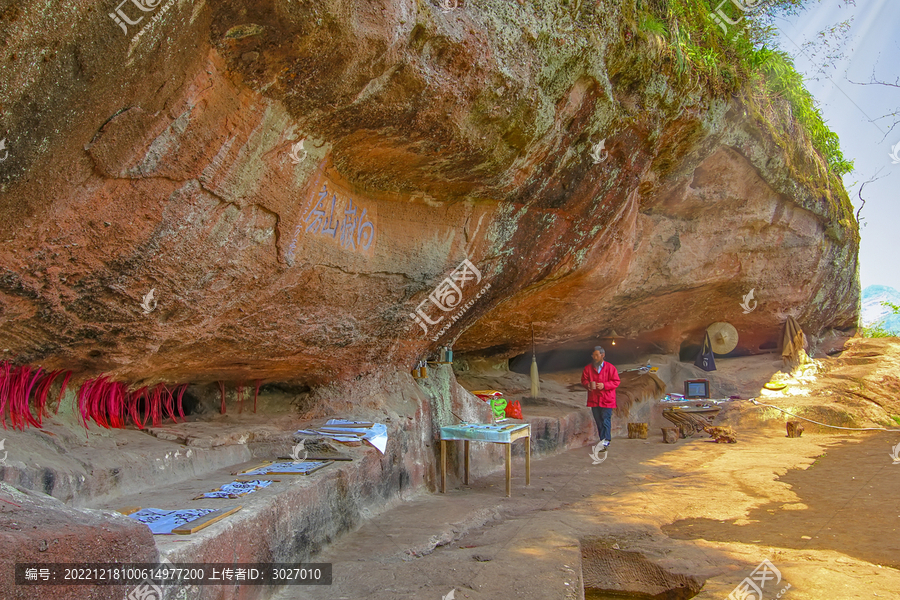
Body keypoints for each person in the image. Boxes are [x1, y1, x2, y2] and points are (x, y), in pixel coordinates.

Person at [581, 346, 620, 451]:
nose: (595, 357)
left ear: (603, 355)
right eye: (593, 355)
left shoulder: (611, 368)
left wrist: (604, 385)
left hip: (607, 399)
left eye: (597, 355)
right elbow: (584, 380)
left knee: (605, 419)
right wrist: (588, 385)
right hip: (594, 399)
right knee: (598, 420)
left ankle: (606, 440)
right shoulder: (588, 368)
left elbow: (616, 381)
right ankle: (602, 439)